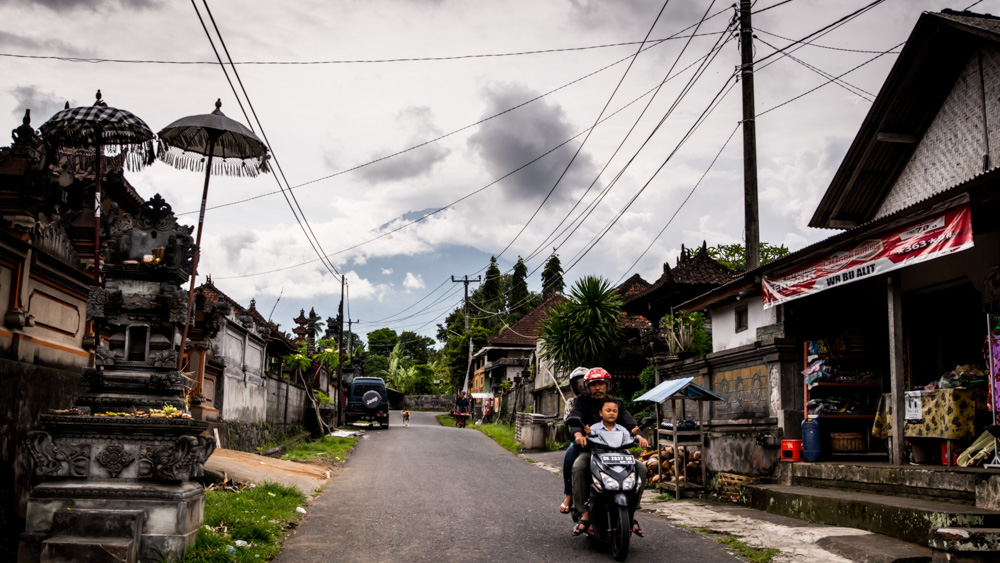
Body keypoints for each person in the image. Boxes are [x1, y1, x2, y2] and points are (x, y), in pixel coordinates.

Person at [569, 367, 648, 537]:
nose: (598, 388)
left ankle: (632, 513)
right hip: (593, 451)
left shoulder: (617, 403)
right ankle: (585, 514)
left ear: (608, 386)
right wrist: (578, 435)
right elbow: (575, 420)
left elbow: (630, 423)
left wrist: (639, 436)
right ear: (587, 386)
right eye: (593, 384)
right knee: (578, 467)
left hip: (618, 452)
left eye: (601, 384)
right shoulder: (582, 402)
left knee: (640, 468)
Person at [559, 367, 590, 514]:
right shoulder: (573, 402)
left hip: (604, 441)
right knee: (569, 458)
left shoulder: (601, 400)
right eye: (579, 383)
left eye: (585, 382)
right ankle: (569, 496)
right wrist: (578, 435)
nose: (582, 386)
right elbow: (568, 422)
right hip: (579, 441)